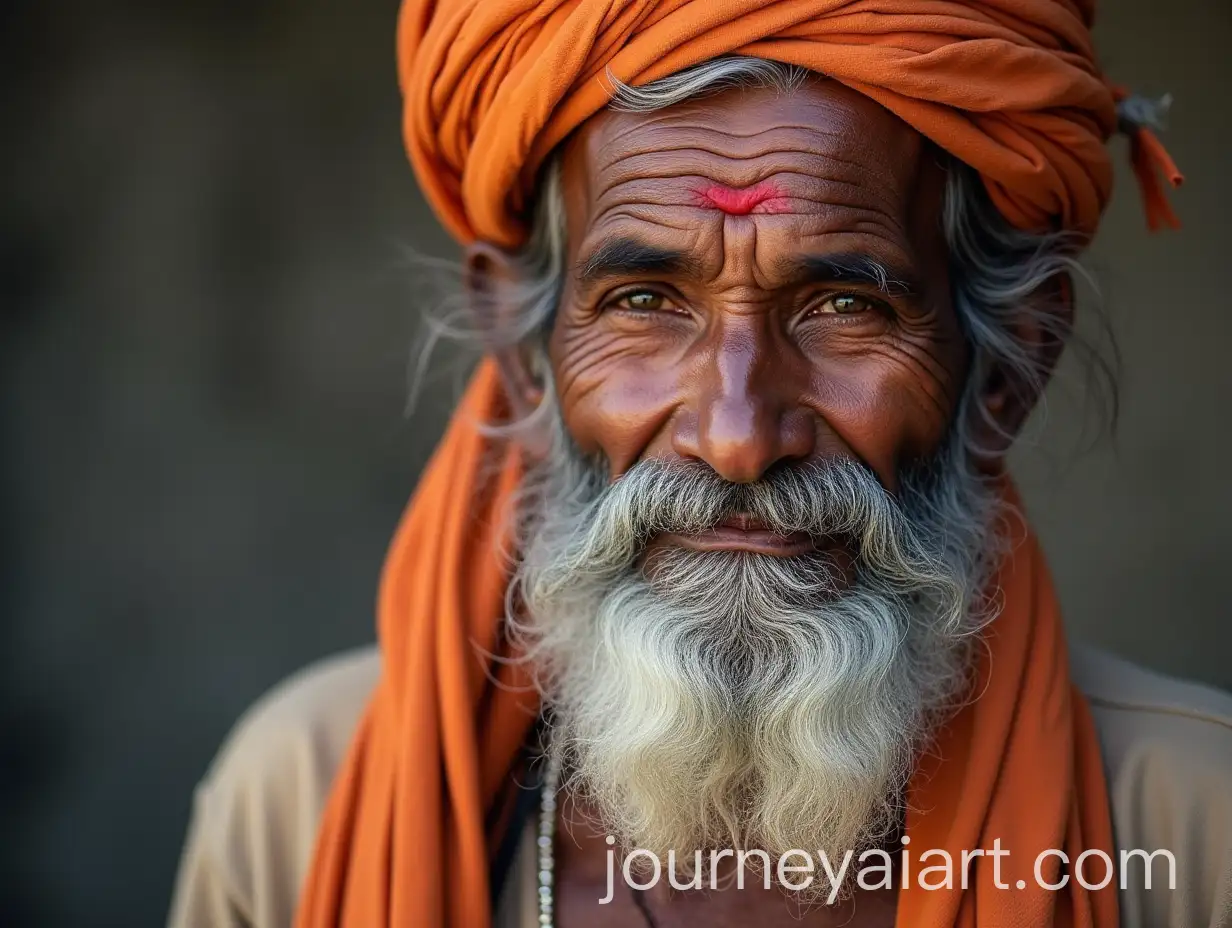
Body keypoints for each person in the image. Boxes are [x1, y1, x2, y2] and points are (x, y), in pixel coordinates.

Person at [169, 2, 1232, 927]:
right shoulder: (304, 800)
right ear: (525, 361)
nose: (734, 433)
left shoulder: (1188, 834)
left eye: (843, 306)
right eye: (643, 303)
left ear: (1004, 371)